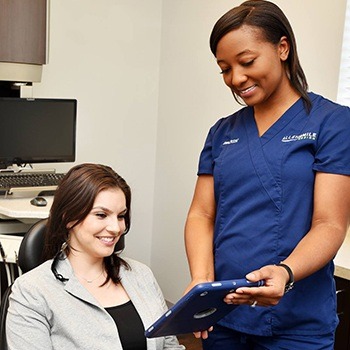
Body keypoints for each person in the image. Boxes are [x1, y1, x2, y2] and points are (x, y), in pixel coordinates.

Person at [184, 1, 350, 349]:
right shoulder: (221, 132)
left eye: (247, 62)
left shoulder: (332, 122)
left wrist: (286, 272)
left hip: (297, 322)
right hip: (224, 314)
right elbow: (202, 214)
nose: (236, 79)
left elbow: (330, 223)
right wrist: (201, 283)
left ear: (283, 48)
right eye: (225, 69)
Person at [7, 163, 185, 350]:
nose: (116, 228)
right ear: (69, 218)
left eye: (121, 216)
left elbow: (169, 346)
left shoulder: (142, 275)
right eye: (101, 215)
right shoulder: (32, 292)